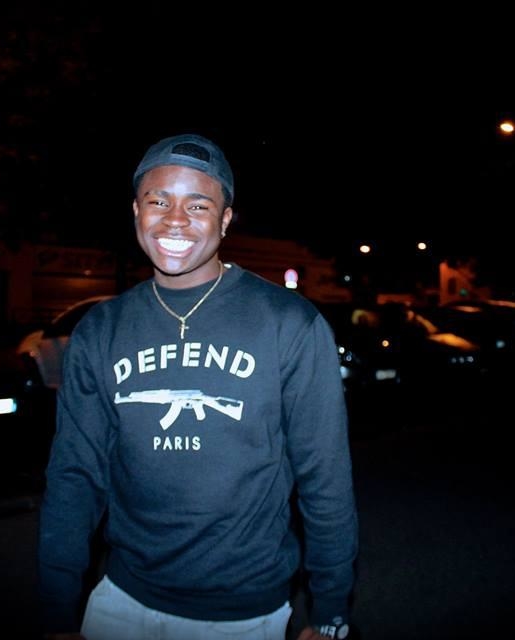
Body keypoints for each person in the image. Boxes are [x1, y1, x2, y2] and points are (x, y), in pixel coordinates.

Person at [37, 133, 359, 640]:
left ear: (225, 220)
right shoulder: (100, 329)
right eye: (158, 201)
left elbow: (326, 477)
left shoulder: (288, 322)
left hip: (243, 612)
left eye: (198, 205)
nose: (175, 220)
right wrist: (57, 609)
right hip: (121, 597)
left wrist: (331, 611)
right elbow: (74, 475)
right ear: (136, 211)